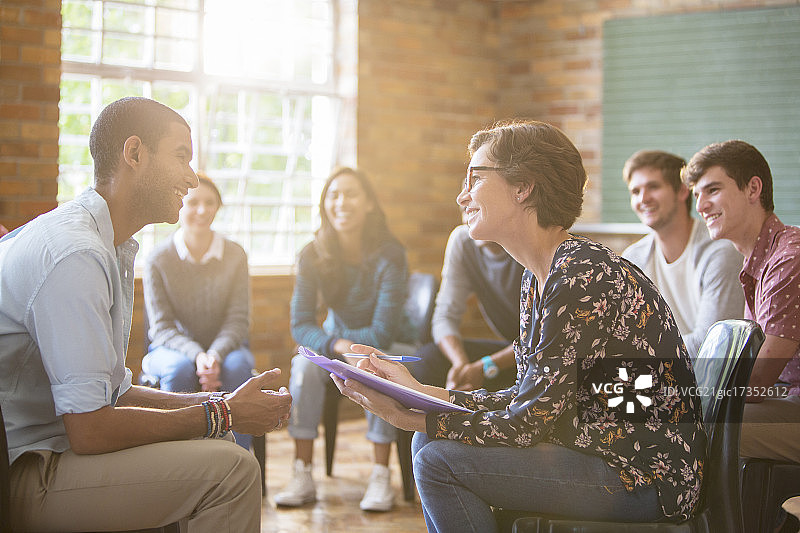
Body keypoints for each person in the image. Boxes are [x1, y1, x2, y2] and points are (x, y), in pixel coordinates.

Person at [332, 120, 707, 532]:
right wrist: (417, 394)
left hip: (645, 476)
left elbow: (527, 424)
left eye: (475, 179)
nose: (462, 195)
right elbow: (525, 399)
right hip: (598, 453)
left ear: (523, 187)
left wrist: (408, 416)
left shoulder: (581, 274)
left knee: (437, 459)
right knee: (430, 441)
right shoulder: (539, 276)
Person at [0, 97, 291, 532]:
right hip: (26, 469)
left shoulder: (106, 243)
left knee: (220, 441)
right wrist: (224, 413)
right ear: (134, 153)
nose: (192, 178)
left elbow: (113, 394)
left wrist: (221, 405)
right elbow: (91, 429)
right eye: (181, 157)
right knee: (233, 470)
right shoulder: (75, 254)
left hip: (56, 446)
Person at [274, 166, 414, 512]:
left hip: (386, 348)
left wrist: (347, 347)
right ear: (325, 204)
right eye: (333, 195)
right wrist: (338, 346)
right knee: (303, 368)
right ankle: (302, 471)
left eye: (351, 194)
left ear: (369, 203)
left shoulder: (390, 255)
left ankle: (381, 474)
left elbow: (381, 333)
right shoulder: (312, 254)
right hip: (334, 345)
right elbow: (300, 325)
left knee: (373, 366)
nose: (341, 202)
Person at [683, 140, 800, 465]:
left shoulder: (788, 258)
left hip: (792, 402)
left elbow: (758, 380)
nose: (701, 205)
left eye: (713, 190)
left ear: (753, 189)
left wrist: (675, 391)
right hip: (787, 398)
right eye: (697, 195)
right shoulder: (759, 261)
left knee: (686, 424)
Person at [142, 172, 255, 452]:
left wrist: (214, 354)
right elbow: (162, 328)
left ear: (218, 207)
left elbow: (238, 320)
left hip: (226, 348)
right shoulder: (157, 258)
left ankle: (237, 458)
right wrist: (197, 355)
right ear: (180, 204)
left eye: (210, 203)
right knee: (179, 369)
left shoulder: (235, 254)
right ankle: (178, 458)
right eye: (193, 203)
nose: (202, 210)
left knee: (238, 367)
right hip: (171, 349)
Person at [621, 149, 744, 358]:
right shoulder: (633, 259)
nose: (643, 199)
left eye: (653, 187)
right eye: (635, 191)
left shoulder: (721, 252)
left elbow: (712, 345)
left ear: (682, 191)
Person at [414, 223, 522, 390]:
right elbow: (444, 317)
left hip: (545, 352)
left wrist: (485, 366)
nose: (468, 217)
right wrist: (460, 364)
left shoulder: (530, 240)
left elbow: (543, 337)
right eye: (464, 211)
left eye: (476, 209)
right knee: (428, 359)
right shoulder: (463, 240)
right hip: (512, 348)